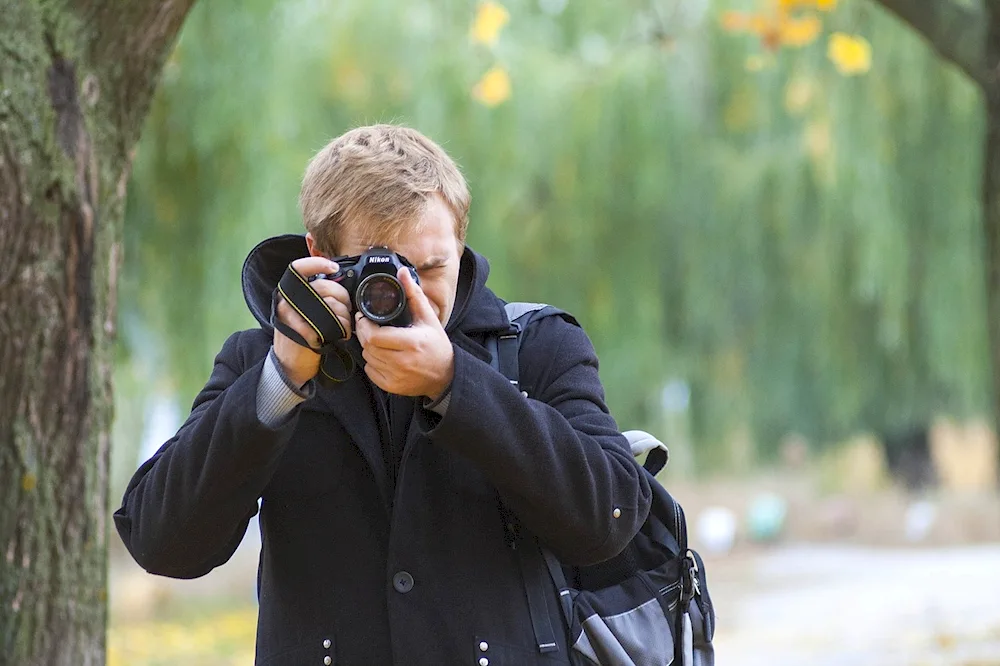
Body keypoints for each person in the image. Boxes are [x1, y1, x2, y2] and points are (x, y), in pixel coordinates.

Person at [114, 124, 653, 665]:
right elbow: (163, 541)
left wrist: (456, 385)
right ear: (319, 255)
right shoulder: (260, 361)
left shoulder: (537, 346)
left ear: (461, 244)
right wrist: (280, 382)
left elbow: (609, 519)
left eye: (432, 268)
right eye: (384, 271)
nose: (410, 292)